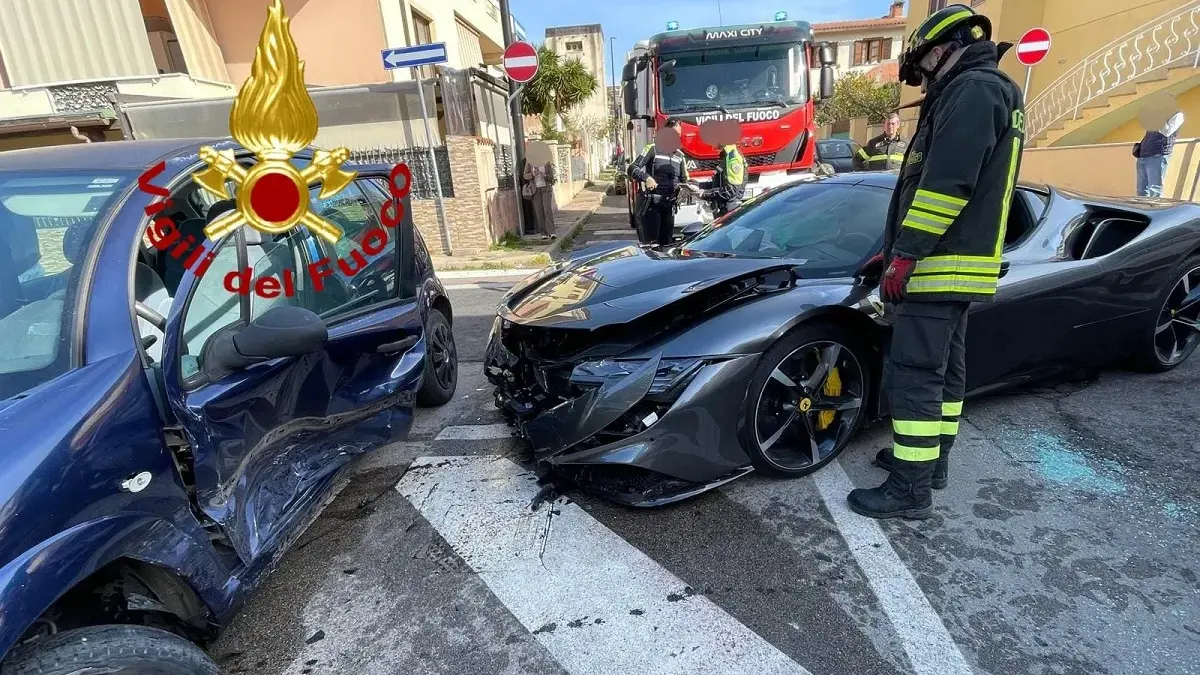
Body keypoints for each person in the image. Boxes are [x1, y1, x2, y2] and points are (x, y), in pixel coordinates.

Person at [849, 4, 1024, 520]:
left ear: (942, 50)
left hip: (940, 263)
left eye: (923, 71)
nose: (923, 84)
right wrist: (895, 246)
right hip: (959, 264)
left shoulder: (972, 92)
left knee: (915, 375)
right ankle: (931, 464)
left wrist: (906, 254)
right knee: (945, 372)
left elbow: (945, 188)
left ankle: (909, 489)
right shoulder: (993, 90)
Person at [628, 118, 689, 246]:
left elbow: (684, 180)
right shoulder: (652, 149)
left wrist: (684, 190)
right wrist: (646, 177)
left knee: (666, 246)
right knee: (652, 246)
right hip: (652, 206)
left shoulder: (680, 156)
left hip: (669, 206)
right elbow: (632, 168)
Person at [697, 120, 746, 217]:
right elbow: (720, 184)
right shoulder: (727, 156)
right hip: (724, 208)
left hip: (730, 210)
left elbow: (732, 190)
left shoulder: (733, 156)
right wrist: (699, 185)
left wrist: (706, 193)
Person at [1134, 110, 1184, 197]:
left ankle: (1155, 210)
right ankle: (1142, 209)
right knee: (1141, 190)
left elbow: (1167, 132)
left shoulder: (1177, 115)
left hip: (1158, 155)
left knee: (1155, 190)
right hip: (1143, 155)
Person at [523, 148, 557, 240]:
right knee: (539, 212)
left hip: (546, 188)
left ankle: (552, 232)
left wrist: (545, 175)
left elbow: (551, 176)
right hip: (535, 190)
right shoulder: (529, 162)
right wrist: (533, 175)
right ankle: (543, 233)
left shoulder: (546, 162)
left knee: (547, 210)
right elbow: (525, 175)